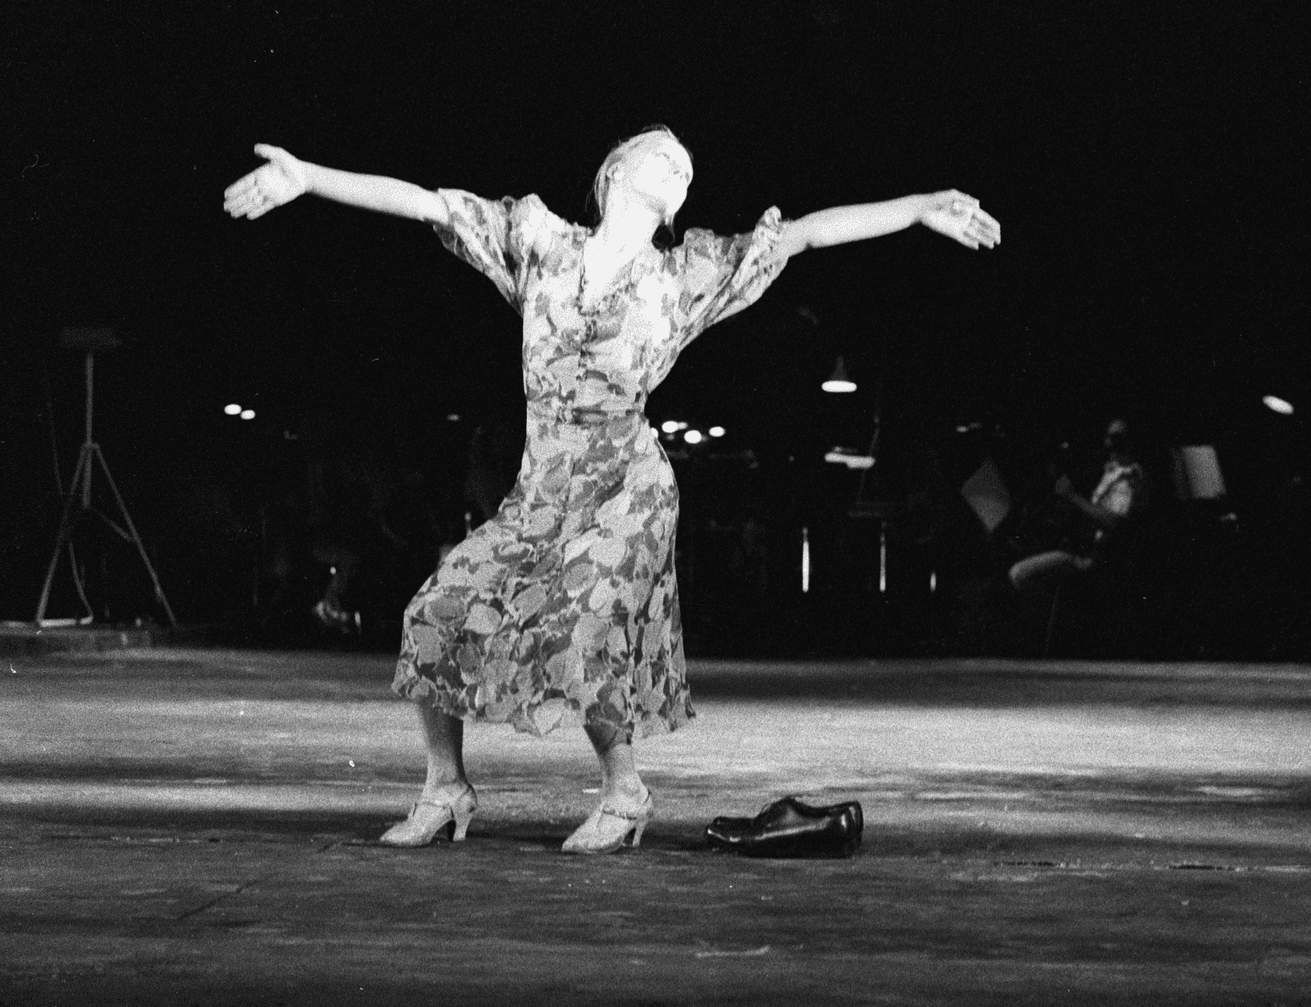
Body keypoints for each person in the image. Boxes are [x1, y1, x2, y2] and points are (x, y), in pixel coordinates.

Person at [224, 127, 1000, 853]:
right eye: (665, 157)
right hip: (543, 488)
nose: (681, 170)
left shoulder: (684, 275)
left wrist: (918, 207)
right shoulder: (538, 242)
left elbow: (802, 234)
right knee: (435, 609)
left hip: (628, 482)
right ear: (616, 172)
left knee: (586, 618)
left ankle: (625, 791)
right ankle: (446, 786)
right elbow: (426, 203)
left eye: (688, 172)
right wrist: (307, 177)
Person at [1008, 417, 1147, 594]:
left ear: (1131, 441)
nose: (1108, 443)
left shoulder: (1130, 479)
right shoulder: (1113, 466)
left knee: (1018, 574)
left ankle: (1052, 605)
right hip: (1081, 542)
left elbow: (1114, 522)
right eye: (1108, 436)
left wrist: (1072, 495)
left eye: (1116, 438)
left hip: (1092, 557)